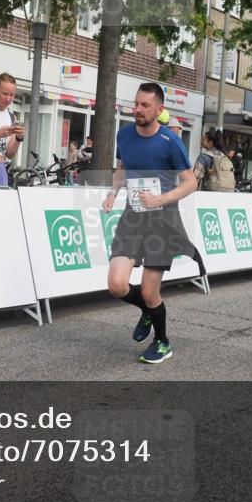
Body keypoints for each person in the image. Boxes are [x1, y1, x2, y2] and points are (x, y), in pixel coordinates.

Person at [102, 83, 199, 365]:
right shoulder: (124, 135)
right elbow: (122, 168)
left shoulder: (171, 142)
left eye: (145, 105)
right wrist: (113, 193)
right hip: (133, 216)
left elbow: (191, 182)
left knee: (149, 289)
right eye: (137, 104)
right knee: (117, 284)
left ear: (159, 109)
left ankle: (162, 341)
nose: (139, 110)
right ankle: (147, 309)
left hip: (162, 219)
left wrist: (159, 200)